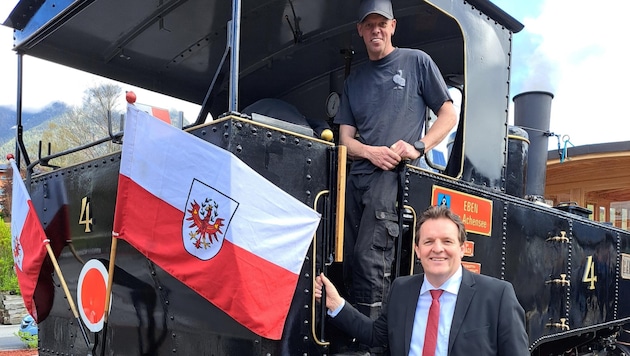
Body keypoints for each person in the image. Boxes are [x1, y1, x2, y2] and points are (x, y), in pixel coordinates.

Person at [334, 0, 458, 325]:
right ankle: (353, 334)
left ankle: (374, 341)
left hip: (392, 179)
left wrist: (419, 146)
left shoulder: (417, 62)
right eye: (369, 24)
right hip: (354, 179)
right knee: (345, 259)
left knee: (370, 259)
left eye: (382, 23)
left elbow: (448, 113)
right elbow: (345, 139)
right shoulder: (353, 82)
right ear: (360, 31)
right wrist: (371, 151)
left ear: (392, 26)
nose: (376, 29)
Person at [315, 206, 530, 356]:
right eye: (428, 241)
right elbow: (375, 335)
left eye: (447, 241)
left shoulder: (498, 296)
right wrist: (336, 305)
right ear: (418, 250)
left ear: (462, 248)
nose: (437, 249)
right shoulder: (402, 289)